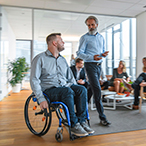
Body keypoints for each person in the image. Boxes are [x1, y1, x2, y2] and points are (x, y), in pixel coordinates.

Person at [30, 33, 94, 136]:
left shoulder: (62, 60)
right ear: (54, 43)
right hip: (49, 90)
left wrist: (76, 89)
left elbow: (70, 78)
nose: (63, 42)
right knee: (67, 91)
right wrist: (41, 98)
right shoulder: (39, 58)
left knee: (82, 89)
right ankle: (74, 124)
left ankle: (82, 121)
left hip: (65, 87)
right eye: (61, 41)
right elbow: (34, 79)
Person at [77, 16, 111, 126]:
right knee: (97, 90)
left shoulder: (101, 37)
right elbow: (79, 53)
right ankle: (102, 117)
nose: (90, 27)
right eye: (88, 25)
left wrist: (103, 55)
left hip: (98, 66)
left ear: (96, 24)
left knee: (91, 90)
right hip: (90, 66)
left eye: (92, 24)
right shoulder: (84, 38)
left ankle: (80, 111)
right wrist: (93, 57)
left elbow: (101, 54)